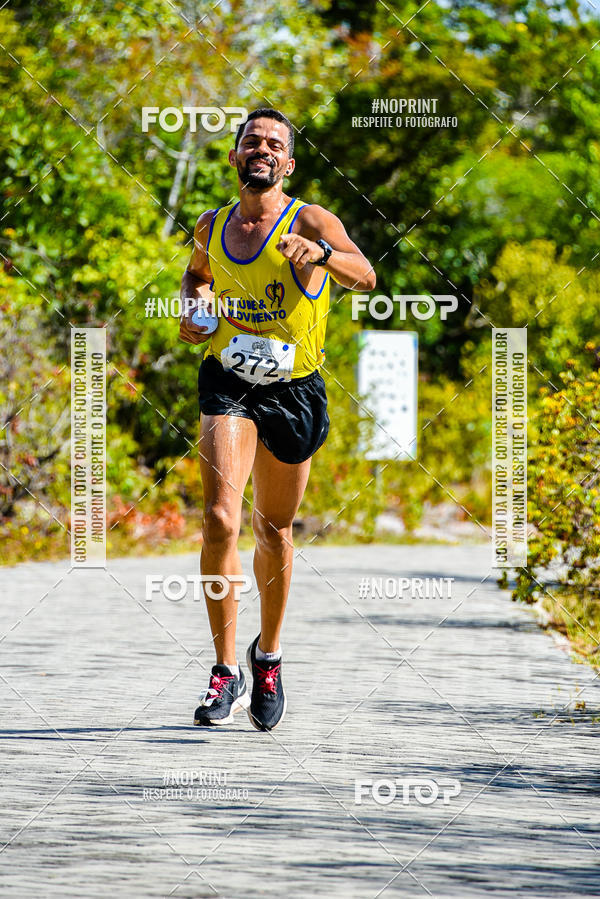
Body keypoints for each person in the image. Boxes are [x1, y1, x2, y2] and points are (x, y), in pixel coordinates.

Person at [179, 108, 375, 731]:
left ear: (287, 164)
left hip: (294, 390)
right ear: (236, 156)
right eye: (251, 141)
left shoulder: (310, 218)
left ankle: (268, 655)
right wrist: (194, 308)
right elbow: (196, 277)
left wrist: (318, 252)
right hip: (228, 381)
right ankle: (222, 670)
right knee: (218, 520)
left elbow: (365, 276)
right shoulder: (211, 225)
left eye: (274, 144)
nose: (261, 149)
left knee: (275, 529)